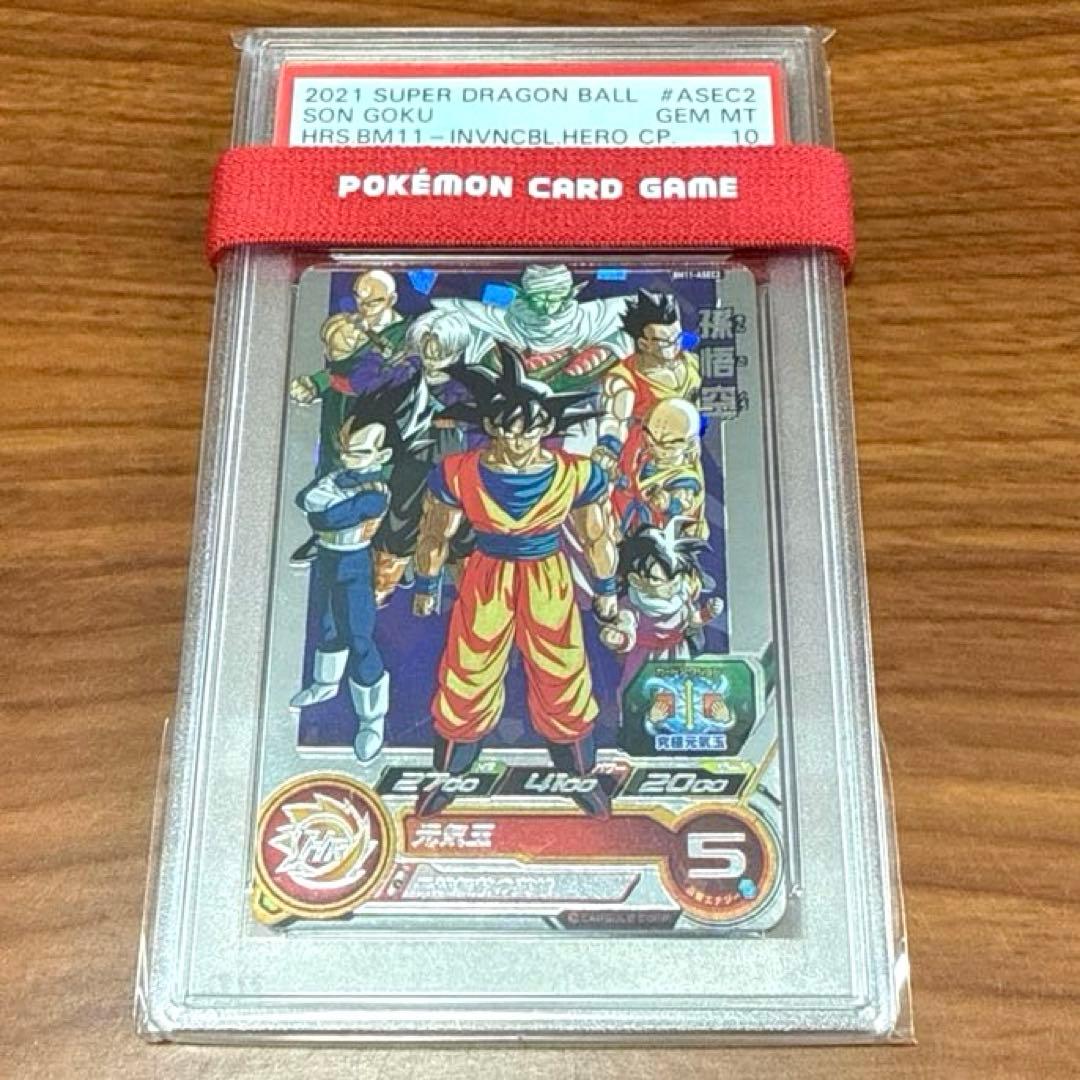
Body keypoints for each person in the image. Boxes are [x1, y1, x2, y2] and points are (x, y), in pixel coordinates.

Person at [411, 345, 619, 817]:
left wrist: (606, 589)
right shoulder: (459, 471)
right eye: (507, 426)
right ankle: (448, 775)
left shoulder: (576, 473)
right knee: (468, 669)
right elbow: (434, 533)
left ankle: (579, 775)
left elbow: (597, 536)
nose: (518, 438)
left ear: (546, 426)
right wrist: (426, 584)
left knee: (561, 669)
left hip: (547, 575)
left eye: (529, 427)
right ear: (491, 424)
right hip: (486, 575)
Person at [289, 374, 427, 761]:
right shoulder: (340, 476)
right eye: (348, 449)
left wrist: (324, 502)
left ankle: (371, 721)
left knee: (360, 638)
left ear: (382, 456)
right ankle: (324, 683)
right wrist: (323, 502)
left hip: (353, 563)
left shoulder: (375, 492)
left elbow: (326, 516)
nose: (350, 458)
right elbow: (305, 500)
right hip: (328, 559)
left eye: (362, 452)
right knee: (328, 625)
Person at [594, 289, 701, 508]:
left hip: (684, 453)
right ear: (643, 344)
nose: (675, 345)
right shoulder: (624, 377)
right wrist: (608, 449)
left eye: (677, 337)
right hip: (645, 455)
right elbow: (615, 420)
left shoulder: (692, 363)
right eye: (666, 342)